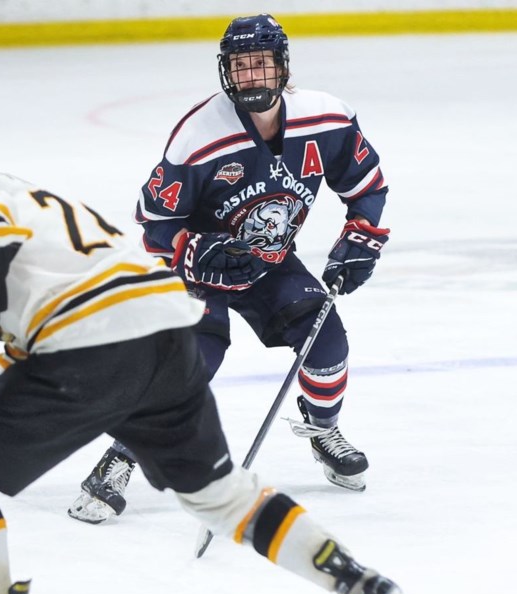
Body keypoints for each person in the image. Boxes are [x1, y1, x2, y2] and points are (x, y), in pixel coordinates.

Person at [0, 99, 425, 594]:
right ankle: (361, 584)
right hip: (165, 330)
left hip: (90, 339)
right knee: (220, 496)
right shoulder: (22, 194)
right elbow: (24, 323)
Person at [69, 13, 391, 525]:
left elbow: (367, 186)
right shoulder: (199, 136)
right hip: (199, 274)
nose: (251, 77)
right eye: (240, 67)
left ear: (283, 68)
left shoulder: (326, 119)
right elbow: (154, 222)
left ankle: (322, 428)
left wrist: (362, 239)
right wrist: (195, 249)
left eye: (261, 64)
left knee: (327, 343)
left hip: (269, 262)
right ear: (227, 72)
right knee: (190, 366)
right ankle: (120, 458)